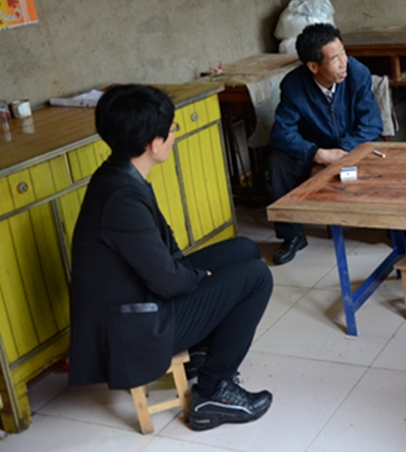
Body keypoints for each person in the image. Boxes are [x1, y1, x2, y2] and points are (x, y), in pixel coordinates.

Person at [69, 85, 274, 431]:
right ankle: (212, 393)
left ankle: (200, 354)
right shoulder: (121, 198)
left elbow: (163, 250)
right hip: (134, 328)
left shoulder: (119, 173)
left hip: (140, 297)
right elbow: (166, 280)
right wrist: (200, 278)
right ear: (154, 144)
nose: (174, 134)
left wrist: (196, 277)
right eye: (172, 129)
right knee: (256, 277)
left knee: (243, 249)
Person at [268, 23, 382, 264]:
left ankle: (395, 228)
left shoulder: (357, 73)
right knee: (279, 160)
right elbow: (281, 133)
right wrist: (317, 154)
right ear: (313, 66)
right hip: (316, 148)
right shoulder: (294, 85)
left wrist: (344, 151)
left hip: (353, 144)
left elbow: (371, 124)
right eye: (335, 58)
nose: (344, 62)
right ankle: (292, 235)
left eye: (344, 52)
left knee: (386, 156)